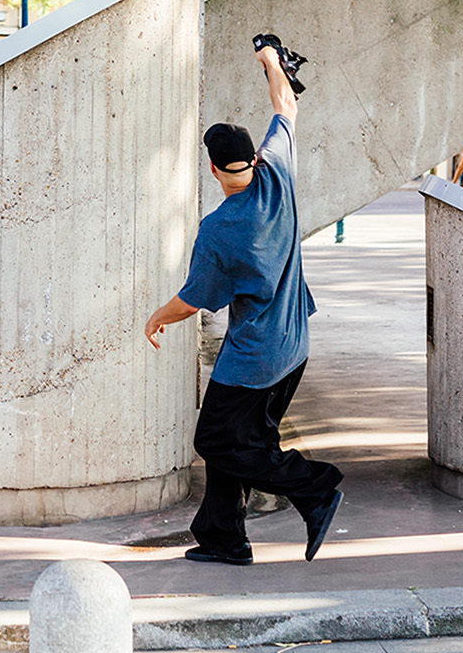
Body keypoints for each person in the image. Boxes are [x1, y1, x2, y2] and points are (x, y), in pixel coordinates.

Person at [143, 37, 344, 567]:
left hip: (254, 356)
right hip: (295, 344)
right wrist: (272, 62)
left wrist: (156, 318)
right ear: (252, 158)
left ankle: (315, 488)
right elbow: (287, 105)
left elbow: (193, 301)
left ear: (213, 170)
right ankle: (223, 539)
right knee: (238, 440)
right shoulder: (278, 172)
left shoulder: (218, 230)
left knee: (216, 438)